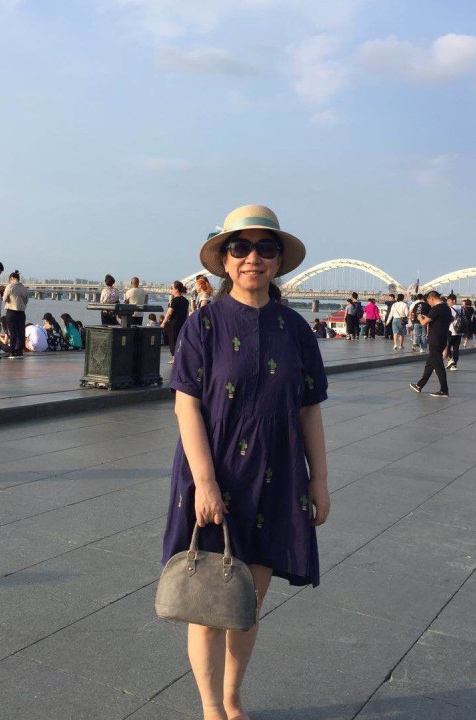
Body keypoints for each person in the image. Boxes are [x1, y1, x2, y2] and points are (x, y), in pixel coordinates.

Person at [164, 205, 329, 720]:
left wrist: (320, 481)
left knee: (246, 606)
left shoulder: (296, 329)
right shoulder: (203, 325)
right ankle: (212, 707)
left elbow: (309, 409)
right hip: (215, 472)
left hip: (276, 476)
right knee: (208, 605)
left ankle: (234, 699)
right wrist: (205, 483)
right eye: (240, 247)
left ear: (278, 261)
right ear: (224, 259)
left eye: (265, 248)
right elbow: (186, 405)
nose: (252, 257)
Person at [409, 290, 452, 397]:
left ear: (432, 299)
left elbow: (424, 323)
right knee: (430, 364)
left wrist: (420, 317)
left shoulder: (436, 308)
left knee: (438, 366)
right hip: (443, 338)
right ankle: (419, 385)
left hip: (435, 339)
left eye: (429, 301)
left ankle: (444, 390)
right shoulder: (447, 308)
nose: (429, 304)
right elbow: (450, 319)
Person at [161, 280, 189, 363]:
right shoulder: (186, 301)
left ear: (176, 289)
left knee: (173, 340)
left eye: (172, 288)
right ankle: (179, 357)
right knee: (180, 340)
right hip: (182, 323)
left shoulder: (174, 300)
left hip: (174, 323)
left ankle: (174, 358)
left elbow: (169, 313)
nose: (171, 290)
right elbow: (187, 313)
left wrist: (163, 322)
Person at [3, 270, 29, 358]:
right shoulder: (23, 288)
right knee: (21, 332)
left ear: (12, 278)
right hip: (21, 312)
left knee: (13, 333)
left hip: (11, 311)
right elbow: (26, 300)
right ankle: (20, 351)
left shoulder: (9, 286)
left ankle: (11, 352)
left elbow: (4, 299)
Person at [445, 294, 465, 371]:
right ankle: (454, 365)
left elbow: (449, 319)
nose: (447, 302)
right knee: (456, 348)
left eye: (448, 301)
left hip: (451, 330)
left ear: (453, 301)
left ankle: (451, 361)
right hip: (459, 330)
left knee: (447, 346)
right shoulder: (462, 308)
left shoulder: (451, 309)